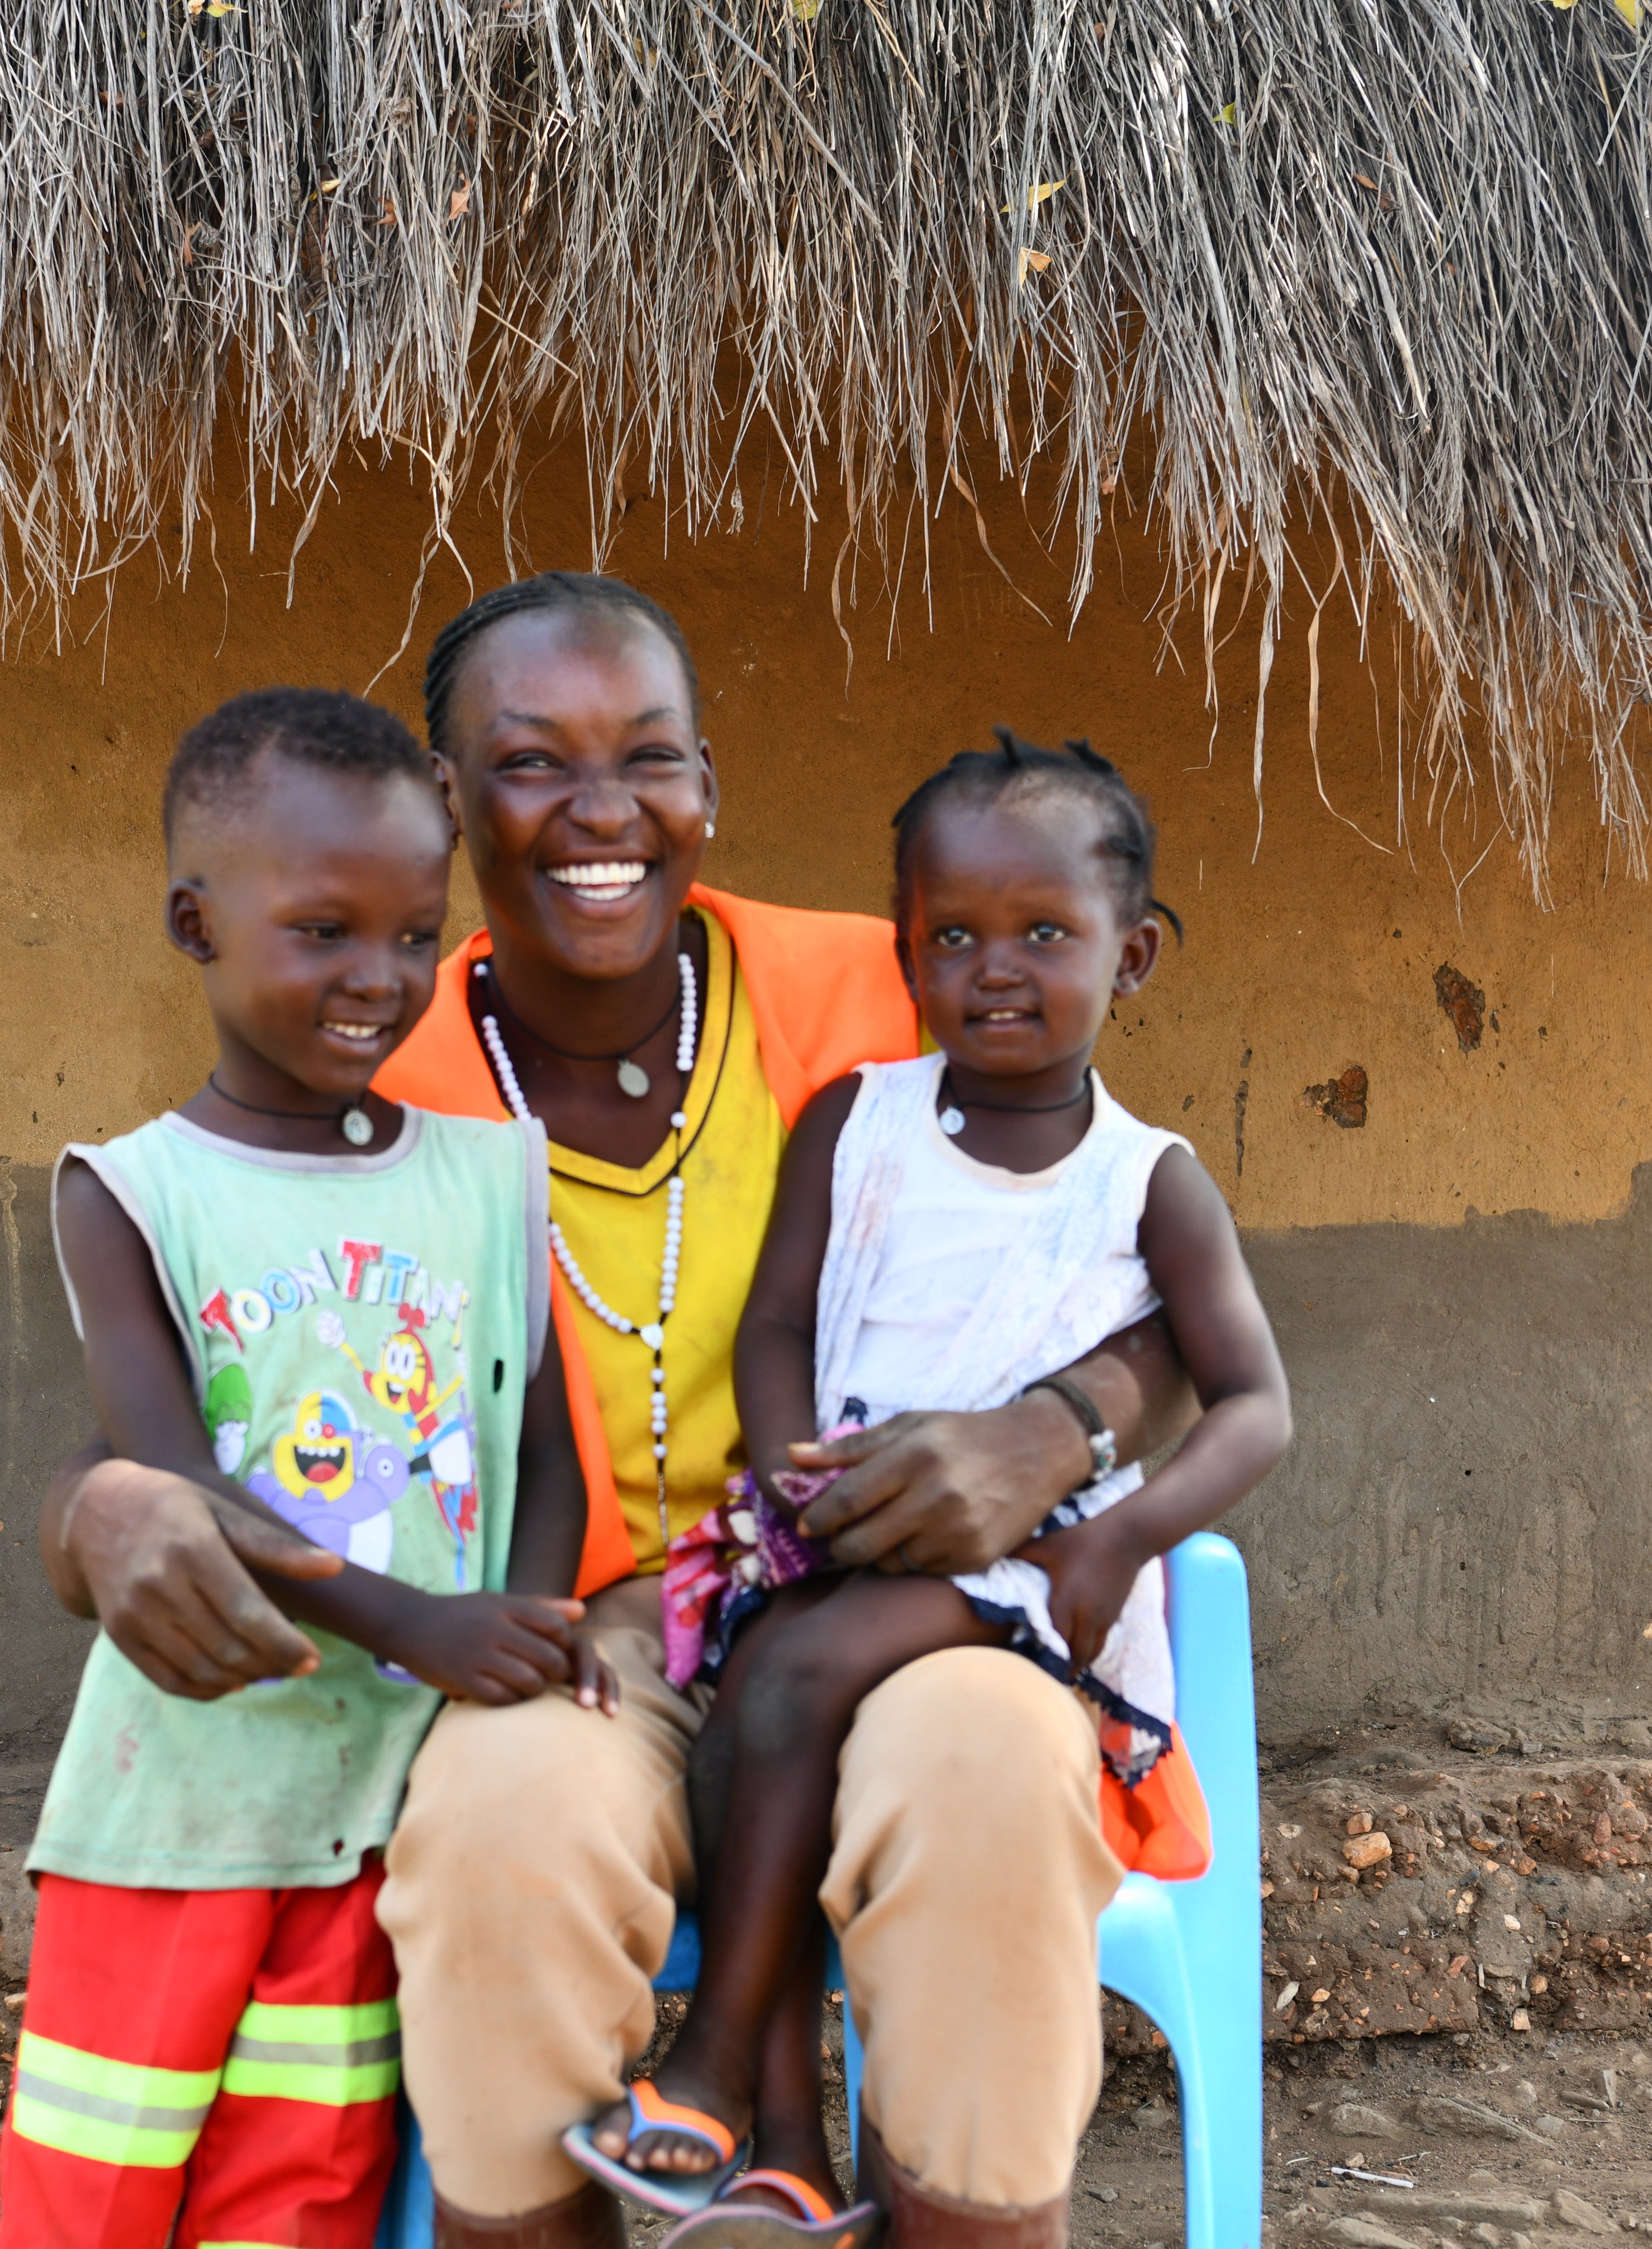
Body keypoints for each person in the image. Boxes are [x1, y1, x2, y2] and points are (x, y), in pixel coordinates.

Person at [37, 575, 1251, 2249]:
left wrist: (1060, 1428)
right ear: (452, 804)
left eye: (651, 757)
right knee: (498, 1826)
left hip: (903, 1615)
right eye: (534, 764)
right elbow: (205, 1374)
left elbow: (1145, 1266)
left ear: (708, 786)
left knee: (985, 1771)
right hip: (591, 1636)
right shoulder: (365, 1062)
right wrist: (98, 1510)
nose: (604, 812)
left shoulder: (885, 988)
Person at [564, 729, 1292, 2246]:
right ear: (905, 954)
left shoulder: (1145, 1181)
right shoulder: (862, 1122)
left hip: (1039, 1574)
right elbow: (777, 1321)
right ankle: (783, 2151)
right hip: (844, 1538)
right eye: (952, 937)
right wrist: (784, 1474)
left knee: (795, 1669)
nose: (996, 970)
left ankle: (709, 2075)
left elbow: (1256, 1409)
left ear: (1136, 954)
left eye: (1045, 934)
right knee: (755, 1684)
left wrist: (1133, 1537)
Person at [0, 688, 610, 2249]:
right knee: (97, 2191)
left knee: (304, 2194)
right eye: (326, 931)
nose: (380, 979)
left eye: (416, 935)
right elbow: (174, 1476)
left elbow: (544, 1448)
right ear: (196, 923)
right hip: (180, 1812)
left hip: (376, 1814)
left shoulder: (488, 1181)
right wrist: (427, 1630)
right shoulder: (133, 1194)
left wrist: (523, 1634)